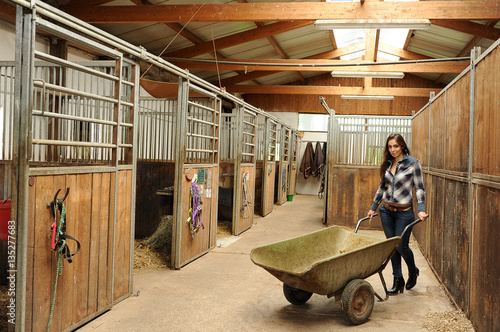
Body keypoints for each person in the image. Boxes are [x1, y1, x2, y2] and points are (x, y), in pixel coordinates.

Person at [367, 133, 428, 295]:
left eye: (396, 146)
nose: (393, 150)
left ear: (402, 146)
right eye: (390, 146)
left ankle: (413, 270)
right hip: (386, 210)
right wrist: (374, 207)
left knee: (402, 246)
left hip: (404, 212)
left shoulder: (413, 164)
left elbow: (419, 188)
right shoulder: (388, 164)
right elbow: (382, 187)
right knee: (391, 246)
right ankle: (397, 280)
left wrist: (421, 209)